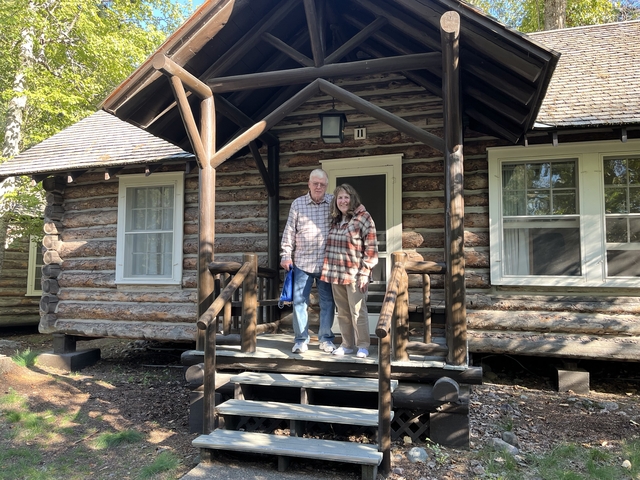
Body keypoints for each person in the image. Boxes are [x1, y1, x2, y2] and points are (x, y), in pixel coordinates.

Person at [280, 169, 336, 354]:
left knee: (327, 302)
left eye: (322, 184)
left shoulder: (333, 203)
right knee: (299, 301)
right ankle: (301, 339)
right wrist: (285, 255)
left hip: (326, 263)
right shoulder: (298, 204)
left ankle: (326, 339)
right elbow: (289, 231)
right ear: (309, 184)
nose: (318, 187)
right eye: (315, 183)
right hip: (302, 262)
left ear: (326, 185)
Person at [321, 184, 378, 358]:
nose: (343, 201)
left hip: (355, 274)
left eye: (346, 197)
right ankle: (346, 344)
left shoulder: (364, 218)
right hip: (335, 273)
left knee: (358, 311)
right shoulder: (335, 220)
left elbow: (371, 247)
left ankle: (363, 345)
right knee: (343, 312)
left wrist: (365, 272)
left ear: (352, 198)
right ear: (335, 201)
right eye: (340, 198)